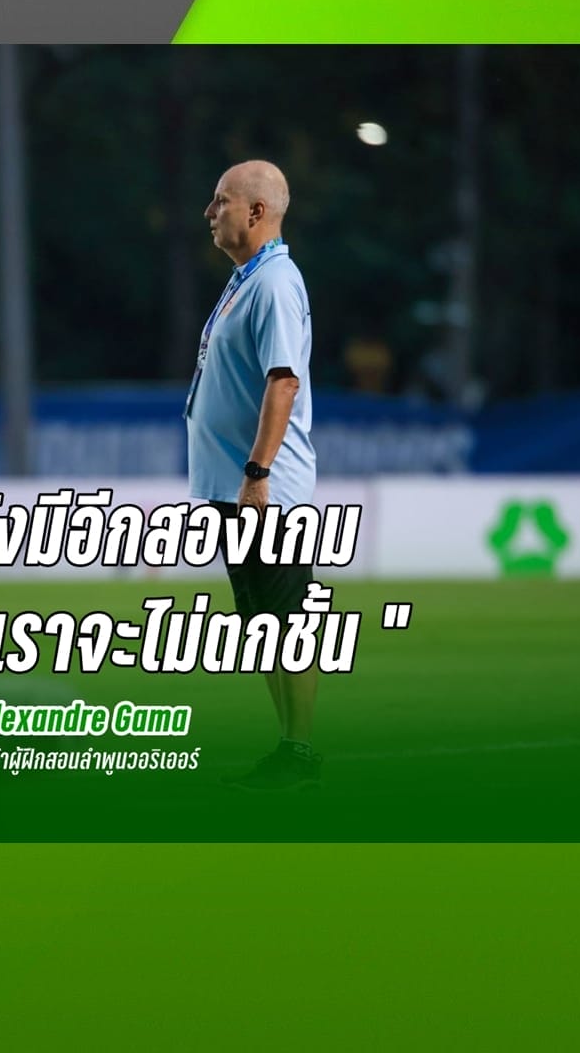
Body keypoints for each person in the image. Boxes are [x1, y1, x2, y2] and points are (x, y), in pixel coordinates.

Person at [184, 160, 322, 791]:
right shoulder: (250, 279)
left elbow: (283, 380)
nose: (210, 212)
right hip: (236, 488)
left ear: (256, 212)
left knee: (284, 620)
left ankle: (300, 750)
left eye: (221, 200)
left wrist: (258, 473)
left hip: (263, 490)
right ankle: (289, 746)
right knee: (262, 625)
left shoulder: (273, 283)